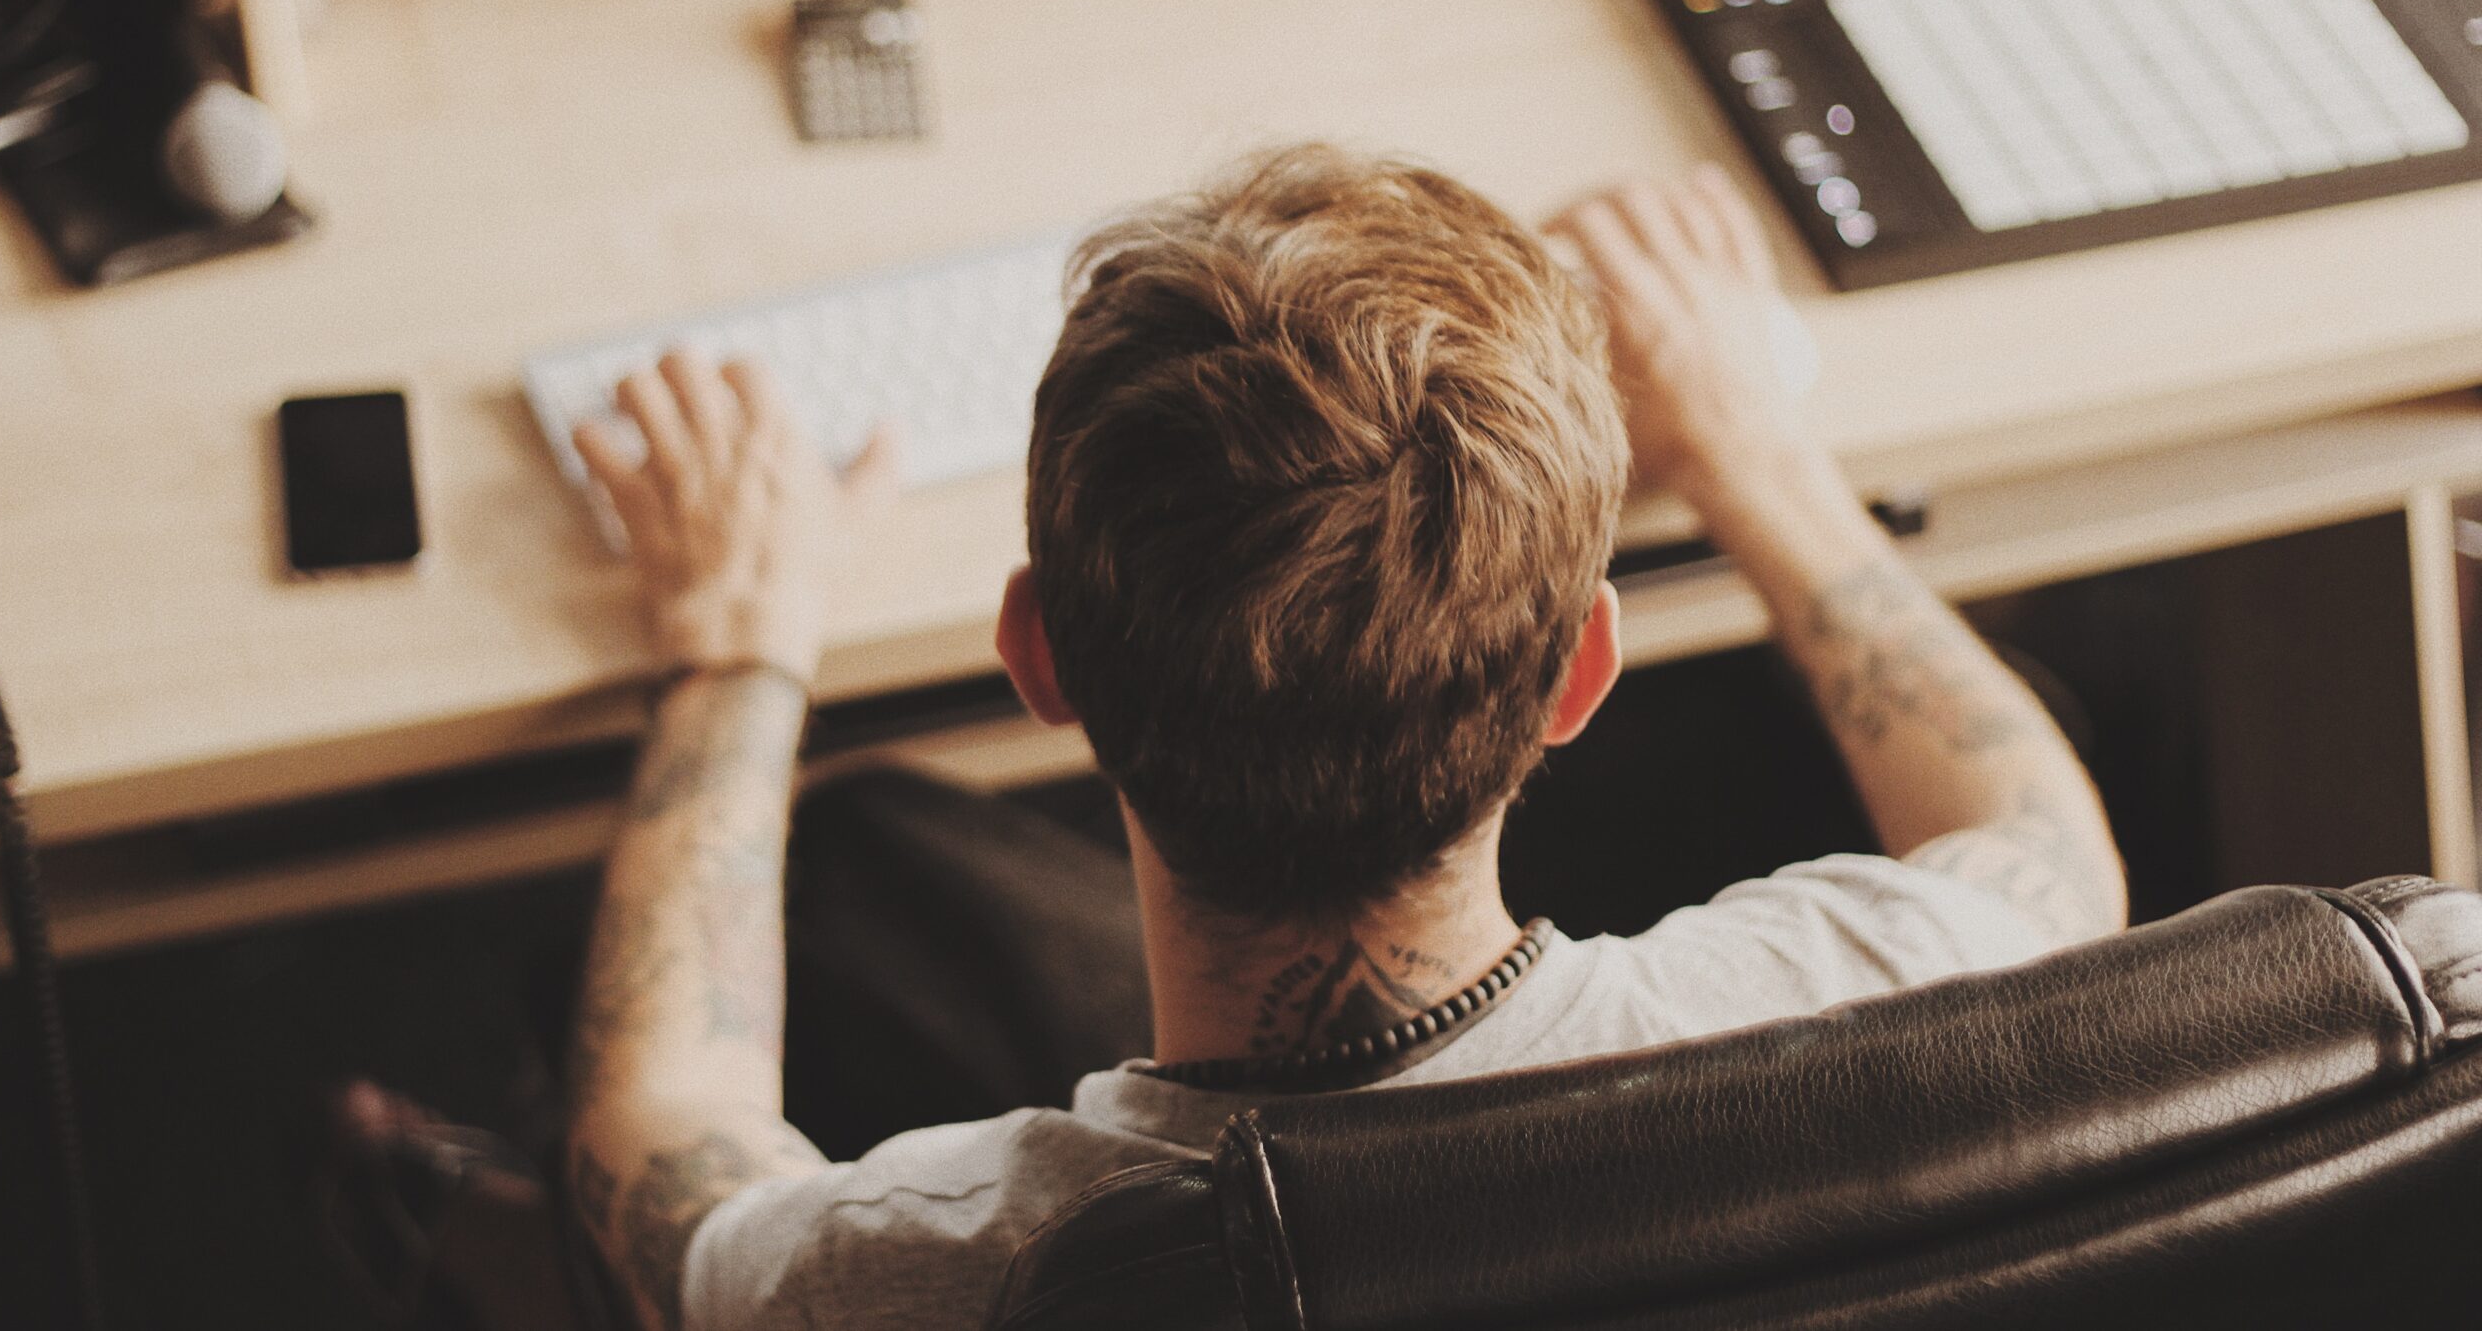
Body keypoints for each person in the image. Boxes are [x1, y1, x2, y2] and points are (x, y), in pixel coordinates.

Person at [561, 147, 2129, 1331]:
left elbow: (662, 1156)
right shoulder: (1856, 1009)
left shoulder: (960, 1262)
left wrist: (735, 655)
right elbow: (2047, 844)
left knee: (865, 859)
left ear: (1041, 659)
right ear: (1581, 674)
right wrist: (1755, 455)